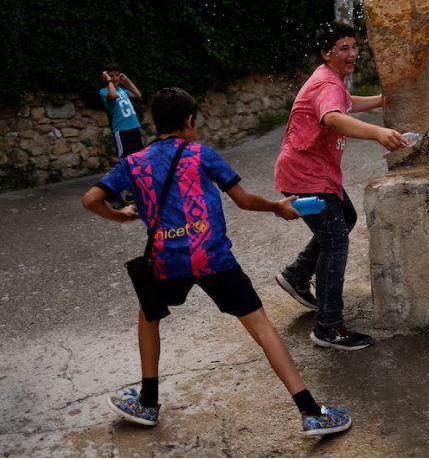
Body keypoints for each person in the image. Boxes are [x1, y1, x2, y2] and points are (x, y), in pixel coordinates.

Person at [81, 87, 352, 436]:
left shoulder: (132, 163)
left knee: (148, 315)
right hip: (214, 258)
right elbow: (243, 200)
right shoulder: (202, 155)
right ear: (189, 121)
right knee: (262, 327)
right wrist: (276, 206)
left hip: (166, 262)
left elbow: (91, 199)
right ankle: (310, 412)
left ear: (155, 123)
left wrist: (121, 215)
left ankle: (147, 402)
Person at [274, 22, 406, 351]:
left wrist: (383, 100)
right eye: (343, 48)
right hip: (307, 177)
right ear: (326, 53)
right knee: (335, 243)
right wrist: (377, 133)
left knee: (344, 218)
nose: (352, 54)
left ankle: (296, 276)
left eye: (354, 46)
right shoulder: (327, 83)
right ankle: (328, 326)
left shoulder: (330, 80)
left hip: (309, 173)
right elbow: (333, 116)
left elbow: (345, 103)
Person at [99, 63, 144, 159]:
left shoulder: (123, 90)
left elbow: (138, 95)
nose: (115, 78)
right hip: (122, 131)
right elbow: (113, 95)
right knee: (125, 159)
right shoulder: (103, 92)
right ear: (105, 77)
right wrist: (108, 80)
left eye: (117, 75)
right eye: (111, 76)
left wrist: (127, 80)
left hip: (134, 127)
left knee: (139, 157)